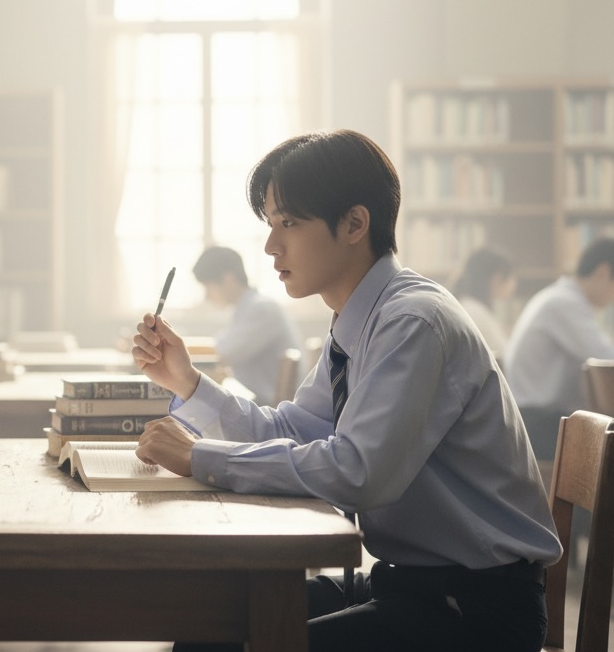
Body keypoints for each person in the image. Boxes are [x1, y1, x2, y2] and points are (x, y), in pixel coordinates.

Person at [131, 129, 560, 652]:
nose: (270, 246)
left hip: (474, 609)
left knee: (240, 643)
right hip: (409, 585)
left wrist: (200, 457)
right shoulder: (358, 321)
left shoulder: (413, 322)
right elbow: (292, 428)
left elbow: (357, 471)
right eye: (270, 224)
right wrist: (187, 381)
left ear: (355, 223)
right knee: (208, 625)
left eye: (288, 222)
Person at [503, 237, 614, 461]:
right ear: (602, 272)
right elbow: (607, 359)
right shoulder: (565, 304)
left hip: (534, 421)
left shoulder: (559, 298)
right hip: (538, 425)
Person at [191, 245, 301, 402]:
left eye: (208, 287)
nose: (207, 296)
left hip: (264, 404)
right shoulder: (247, 308)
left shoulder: (261, 309)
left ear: (228, 279)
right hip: (257, 399)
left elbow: (223, 353)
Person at [451, 246, 516, 356]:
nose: (513, 284)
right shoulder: (476, 312)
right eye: (511, 277)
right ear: (498, 277)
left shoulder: (467, 305)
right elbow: (506, 356)